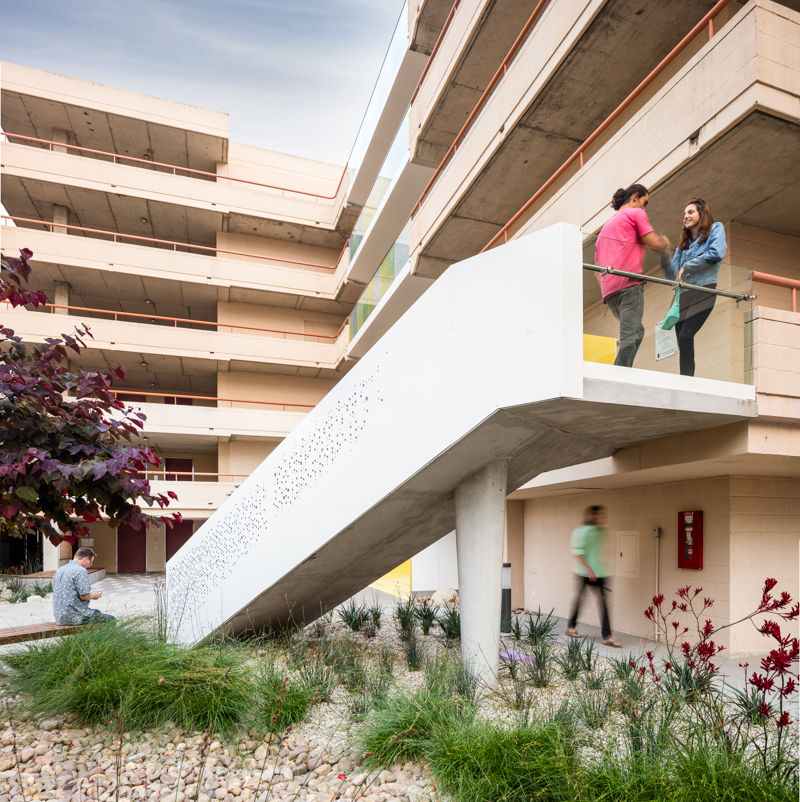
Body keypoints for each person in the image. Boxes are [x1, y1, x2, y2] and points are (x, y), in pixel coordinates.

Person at [595, 184, 670, 367]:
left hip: (609, 291)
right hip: (629, 285)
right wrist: (664, 243)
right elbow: (653, 243)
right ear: (635, 197)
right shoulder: (635, 213)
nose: (644, 208)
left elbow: (597, 269)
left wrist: (608, 286)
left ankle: (619, 372)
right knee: (631, 336)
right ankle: (619, 378)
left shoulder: (603, 231)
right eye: (645, 203)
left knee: (637, 331)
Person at [662, 198, 727, 376]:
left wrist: (687, 266)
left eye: (690, 212)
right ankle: (686, 380)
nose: (685, 216)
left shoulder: (716, 228)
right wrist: (663, 254)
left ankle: (687, 382)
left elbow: (717, 253)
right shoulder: (682, 247)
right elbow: (672, 275)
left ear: (702, 213)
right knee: (682, 342)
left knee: (685, 336)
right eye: (684, 214)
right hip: (684, 296)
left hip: (704, 290)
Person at [566, 505, 620, 647]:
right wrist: (589, 570)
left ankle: (607, 636)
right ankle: (571, 626)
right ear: (590, 515)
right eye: (596, 515)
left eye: (601, 515)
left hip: (600, 573)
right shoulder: (581, 531)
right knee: (581, 600)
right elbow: (577, 553)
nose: (599, 517)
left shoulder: (601, 532)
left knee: (603, 604)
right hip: (584, 572)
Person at [52, 547, 115, 626]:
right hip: (74, 617)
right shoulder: (80, 571)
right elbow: (84, 596)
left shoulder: (60, 570)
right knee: (111, 619)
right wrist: (94, 595)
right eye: (90, 562)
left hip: (60, 617)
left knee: (97, 612)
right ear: (86, 559)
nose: (89, 566)